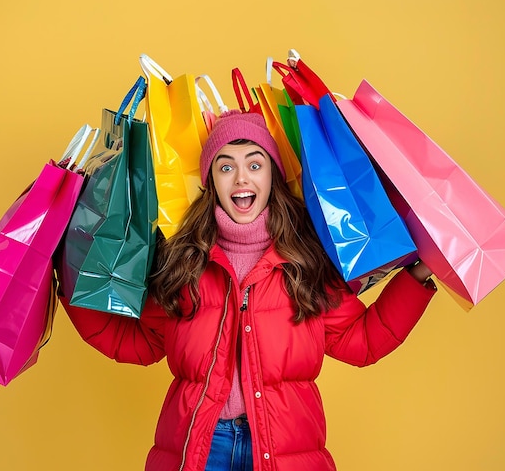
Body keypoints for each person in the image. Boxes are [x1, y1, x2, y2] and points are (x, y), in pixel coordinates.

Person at [59, 110, 436, 471]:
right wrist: (68, 276)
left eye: (255, 165)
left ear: (272, 174)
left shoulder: (307, 262)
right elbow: (136, 343)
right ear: (211, 181)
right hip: (200, 449)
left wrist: (417, 276)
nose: (241, 178)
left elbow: (363, 341)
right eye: (227, 167)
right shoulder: (183, 262)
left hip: (284, 448)